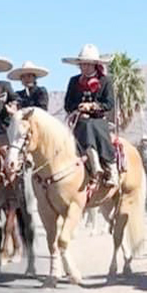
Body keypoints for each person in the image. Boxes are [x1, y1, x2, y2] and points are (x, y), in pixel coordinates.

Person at [62, 44, 117, 187]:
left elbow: (109, 103)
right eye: (82, 64)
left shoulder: (105, 81)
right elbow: (68, 103)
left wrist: (92, 107)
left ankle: (110, 168)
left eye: (88, 64)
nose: (84, 67)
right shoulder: (74, 81)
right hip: (78, 120)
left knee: (90, 125)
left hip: (98, 120)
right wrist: (78, 108)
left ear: (95, 65)